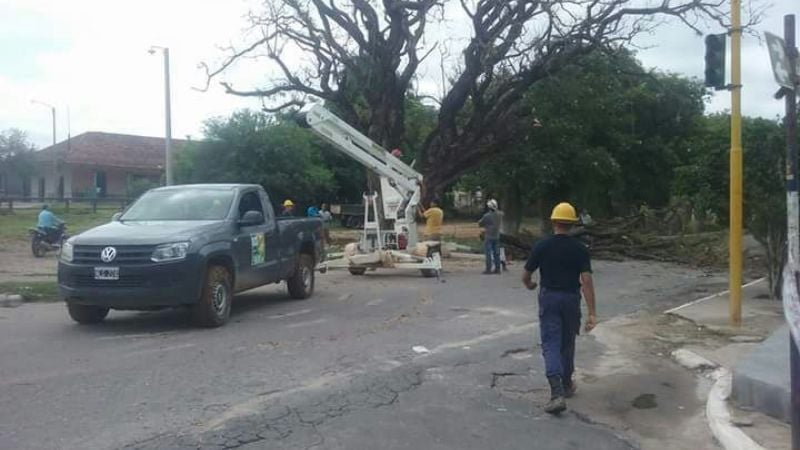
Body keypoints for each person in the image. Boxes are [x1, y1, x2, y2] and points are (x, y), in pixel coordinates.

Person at [521, 202, 597, 415]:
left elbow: (526, 276)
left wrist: (530, 285)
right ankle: (566, 383)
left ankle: (556, 394)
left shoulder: (542, 246)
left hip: (549, 298)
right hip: (571, 298)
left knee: (551, 343)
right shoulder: (580, 249)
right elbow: (587, 281)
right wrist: (592, 312)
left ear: (553, 221)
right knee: (567, 341)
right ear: (572, 224)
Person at [478, 199, 503, 274]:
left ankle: (488, 269)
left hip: (488, 236)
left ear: (489, 207)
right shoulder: (500, 214)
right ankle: (498, 269)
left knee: (488, 253)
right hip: (497, 236)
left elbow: (480, 223)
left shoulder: (487, 216)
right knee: (497, 253)